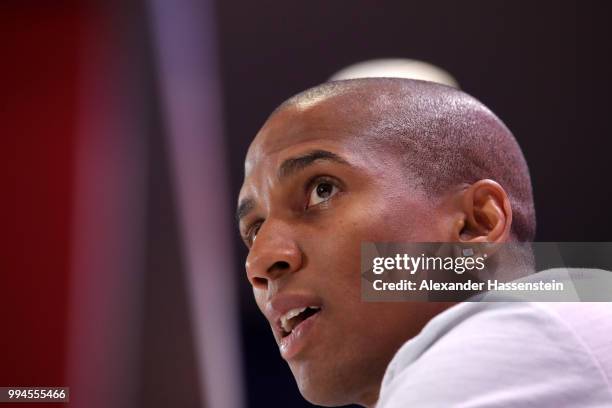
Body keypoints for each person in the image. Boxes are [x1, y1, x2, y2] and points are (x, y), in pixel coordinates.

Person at [236, 78, 612, 407]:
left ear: (477, 223)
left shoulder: (516, 337)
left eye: (322, 190)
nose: (259, 261)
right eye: (253, 230)